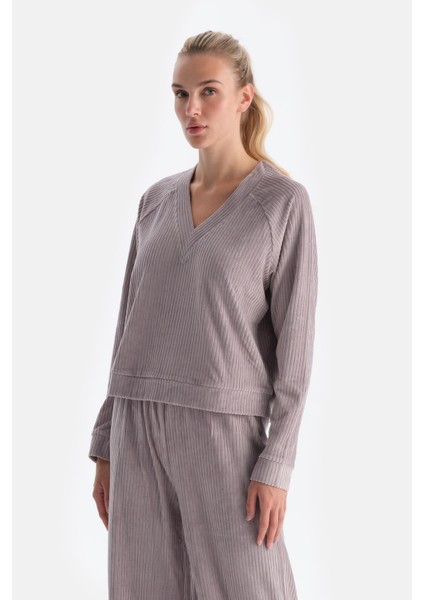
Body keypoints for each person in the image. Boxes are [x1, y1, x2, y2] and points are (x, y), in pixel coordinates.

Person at [89, 30, 318, 600]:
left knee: (251, 585)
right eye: (180, 93)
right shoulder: (155, 201)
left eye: (208, 91)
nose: (191, 108)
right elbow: (129, 326)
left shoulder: (281, 204)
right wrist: (106, 440)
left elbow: (296, 350)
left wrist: (276, 463)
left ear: (244, 97)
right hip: (137, 424)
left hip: (224, 430)